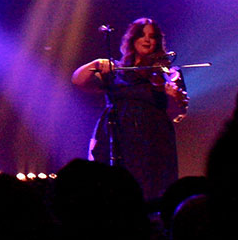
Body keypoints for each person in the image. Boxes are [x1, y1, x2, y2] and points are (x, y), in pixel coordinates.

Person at [71, 17, 184, 200]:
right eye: (142, 35)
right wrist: (96, 64)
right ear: (132, 39)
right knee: (112, 188)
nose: (147, 39)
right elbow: (78, 80)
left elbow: (176, 114)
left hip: (153, 140)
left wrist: (172, 97)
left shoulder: (167, 73)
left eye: (152, 36)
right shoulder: (117, 69)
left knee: (151, 190)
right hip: (117, 136)